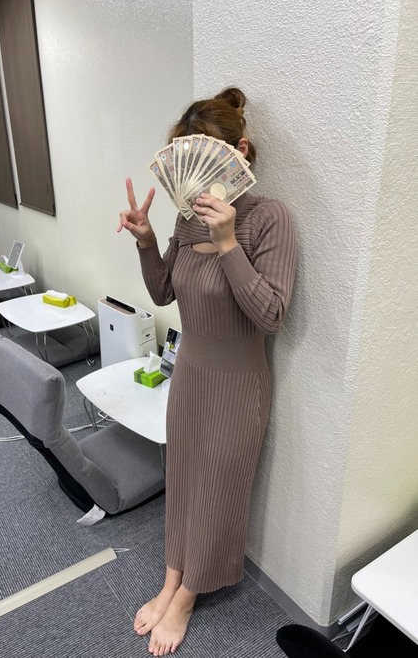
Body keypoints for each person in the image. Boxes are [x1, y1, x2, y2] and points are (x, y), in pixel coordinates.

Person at [117, 87, 297, 656]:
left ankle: (189, 595)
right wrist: (147, 242)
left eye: (207, 159)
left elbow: (271, 315)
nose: (196, 180)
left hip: (239, 384)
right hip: (190, 375)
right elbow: (164, 291)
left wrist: (228, 244)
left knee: (219, 489)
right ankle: (172, 578)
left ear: (238, 153)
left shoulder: (269, 219)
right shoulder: (186, 217)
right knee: (185, 479)